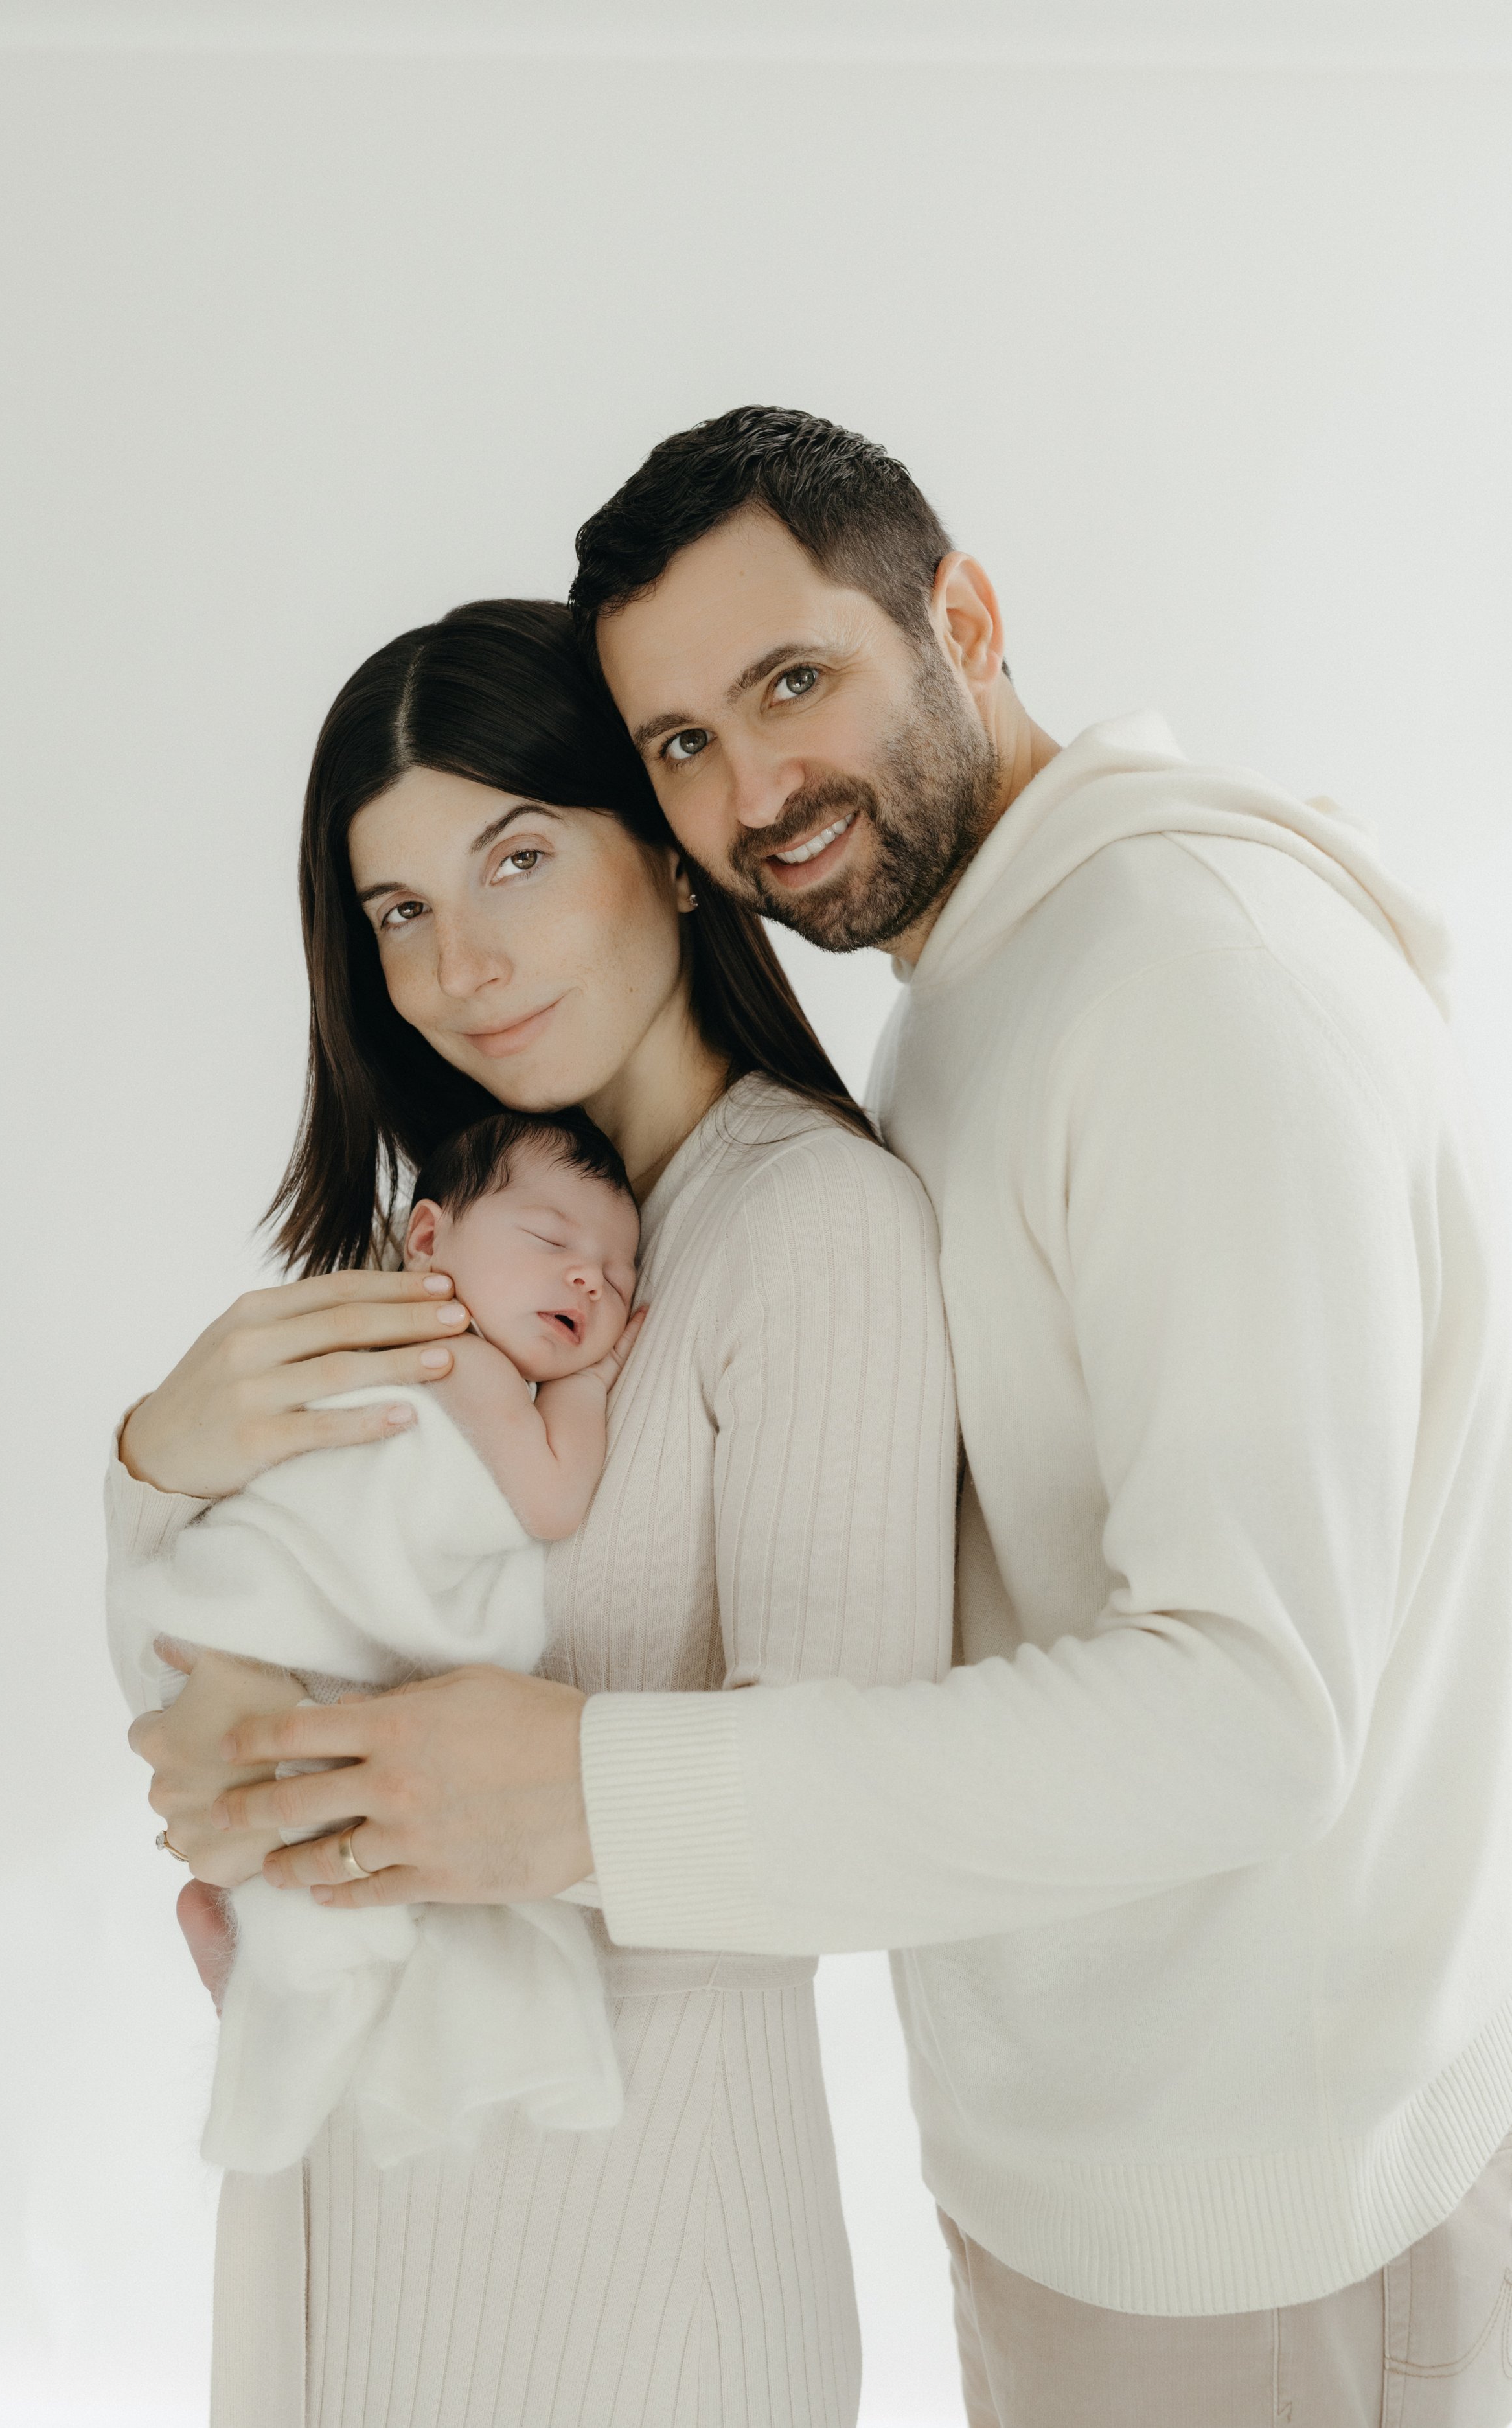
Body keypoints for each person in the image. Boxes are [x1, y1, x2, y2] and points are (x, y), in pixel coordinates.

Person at [216, 413, 1512, 2428]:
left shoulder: (1188, 988)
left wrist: (570, 1796)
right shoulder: (982, 990)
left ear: (965, 617)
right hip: (1082, 2168)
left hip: (1258, 2215)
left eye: (792, 683)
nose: (754, 794)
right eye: (677, 746)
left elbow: (1257, 1709)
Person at [115, 595, 957, 2426]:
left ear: (665, 858)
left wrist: (458, 1786)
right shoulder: (452, 1250)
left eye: (514, 858)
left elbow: (867, 1809)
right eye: (397, 910)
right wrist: (154, 1462)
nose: (460, 964)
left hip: (639, 2263)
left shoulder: (807, 1227)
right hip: (359, 2201)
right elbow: (206, 1664)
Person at [109, 1110, 645, 2179]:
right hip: (290, 1620)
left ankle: (257, 1957)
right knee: (352, 1877)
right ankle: (275, 1973)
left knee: (316, 1831)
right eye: (552, 1242)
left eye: (622, 1273)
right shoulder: (467, 1366)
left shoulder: (376, 1337)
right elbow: (549, 1500)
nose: (591, 1280)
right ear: (431, 1242)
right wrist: (585, 1389)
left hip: (229, 1612)